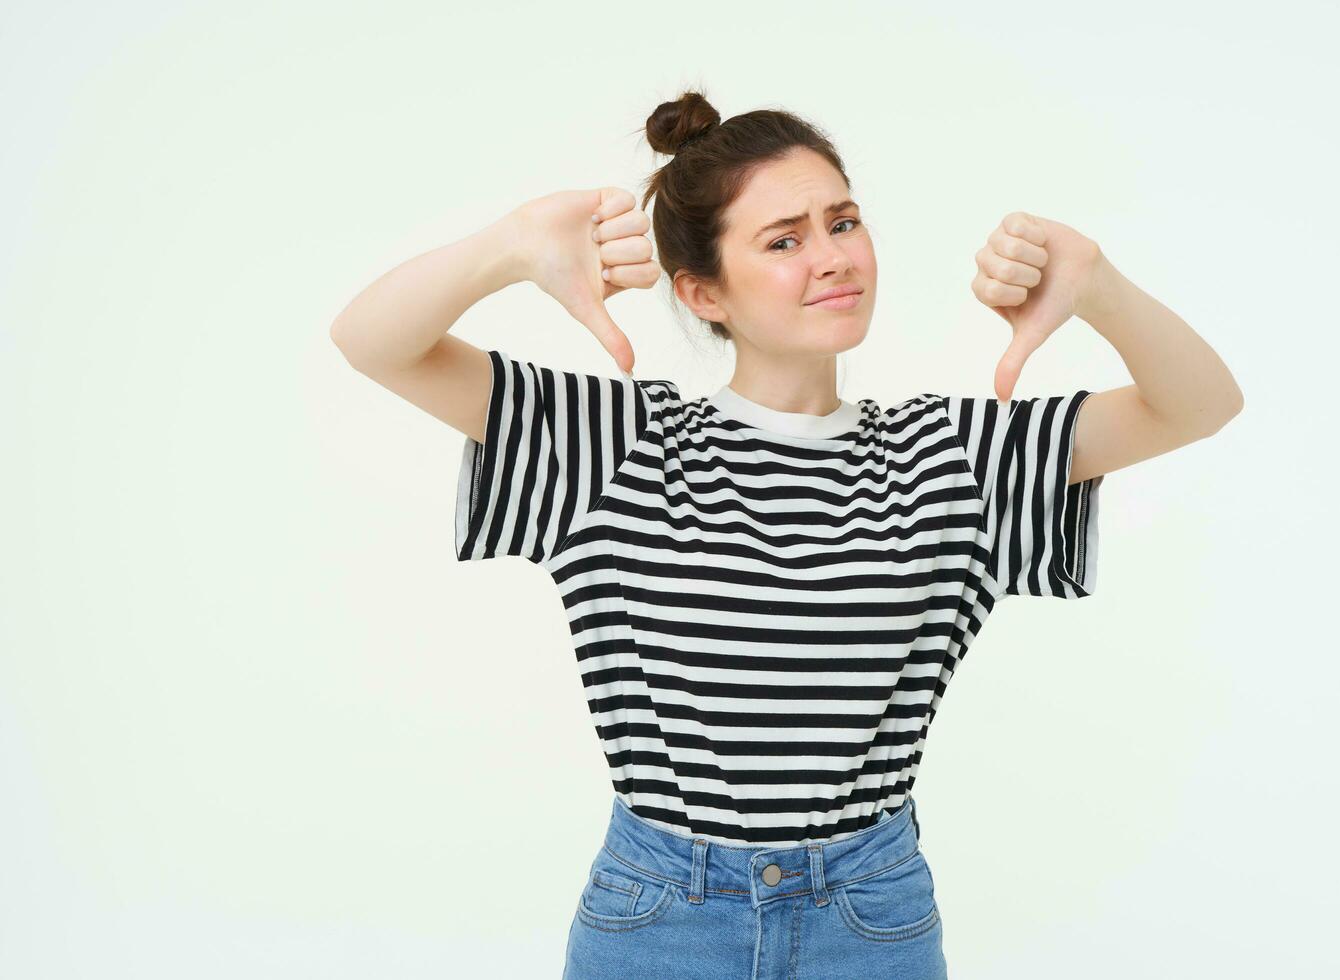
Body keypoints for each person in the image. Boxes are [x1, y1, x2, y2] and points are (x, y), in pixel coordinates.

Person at [330, 89, 1243, 980]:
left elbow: (1201, 405)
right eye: (784, 240)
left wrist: (1097, 286)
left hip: (867, 918)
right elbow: (374, 340)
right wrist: (509, 246)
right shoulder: (618, 446)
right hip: (660, 920)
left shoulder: (954, 455)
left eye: (843, 223)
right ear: (704, 292)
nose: (833, 257)